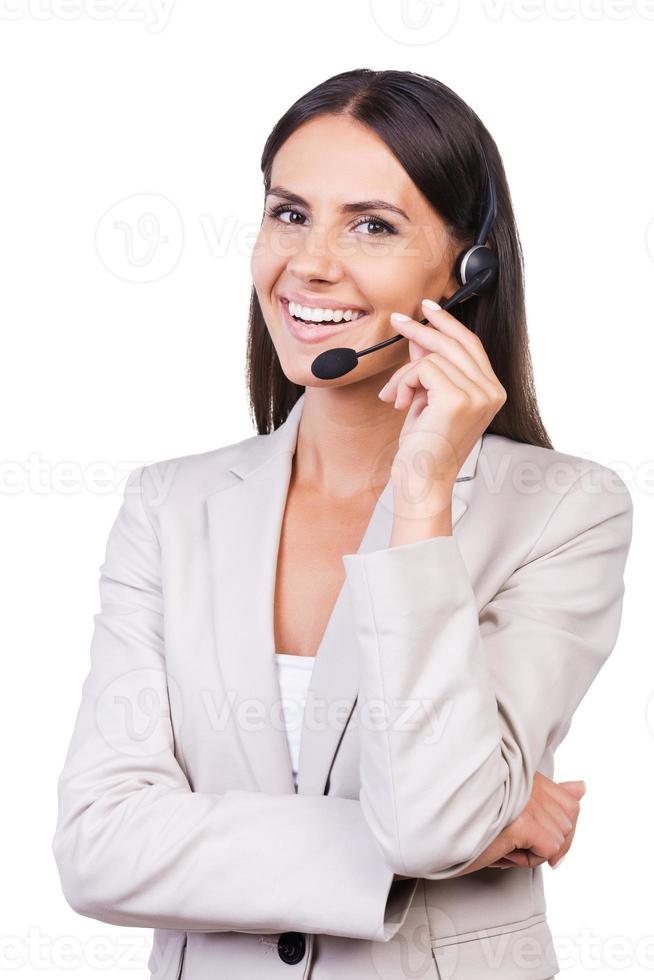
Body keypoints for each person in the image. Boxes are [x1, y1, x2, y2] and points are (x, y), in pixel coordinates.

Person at [52, 69, 633, 980]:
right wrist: (436, 842)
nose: (311, 262)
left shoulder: (566, 511)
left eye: (372, 225)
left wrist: (423, 495)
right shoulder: (170, 506)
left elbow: (432, 819)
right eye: (290, 213)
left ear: (467, 266)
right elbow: (98, 846)